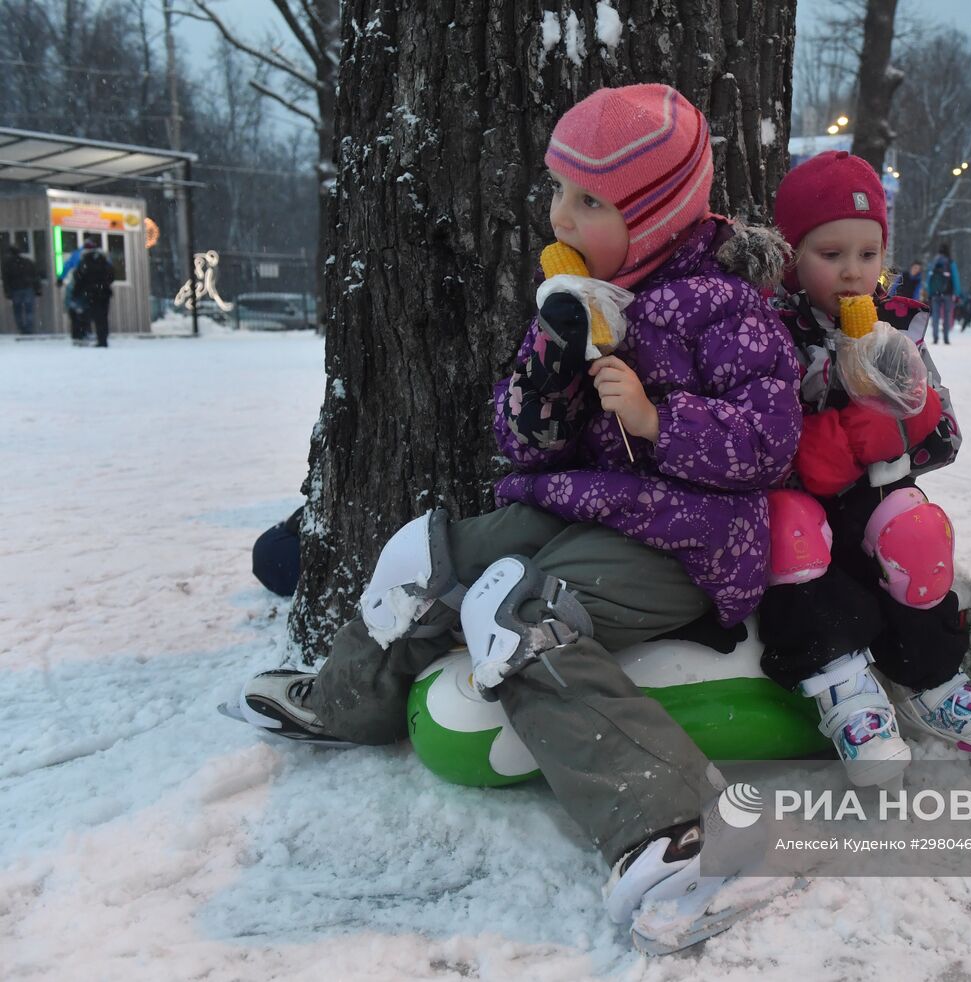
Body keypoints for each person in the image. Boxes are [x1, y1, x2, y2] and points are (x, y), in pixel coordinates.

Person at [230, 84, 804, 949]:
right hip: (583, 507)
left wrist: (658, 420)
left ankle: (685, 830)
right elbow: (522, 442)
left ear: (651, 215)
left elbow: (768, 442)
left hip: (687, 540)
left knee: (520, 616)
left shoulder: (723, 306)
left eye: (589, 201)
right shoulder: (582, 299)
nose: (559, 217)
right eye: (558, 192)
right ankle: (347, 699)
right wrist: (552, 358)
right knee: (434, 558)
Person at [759, 150, 971, 786]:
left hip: (876, 499)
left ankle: (932, 677)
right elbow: (753, 436)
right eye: (831, 254)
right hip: (803, 512)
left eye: (868, 253)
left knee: (919, 530)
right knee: (789, 529)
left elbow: (947, 439)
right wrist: (814, 442)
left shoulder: (899, 326)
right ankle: (844, 692)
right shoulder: (769, 329)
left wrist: (909, 420)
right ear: (792, 256)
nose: (853, 272)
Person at [64, 237, 115, 346]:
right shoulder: (104, 260)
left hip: (91, 293)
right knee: (103, 317)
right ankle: (103, 339)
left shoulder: (83, 260)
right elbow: (111, 275)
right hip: (104, 293)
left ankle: (84, 334)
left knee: (89, 315)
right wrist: (104, 284)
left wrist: (76, 292)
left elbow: (78, 277)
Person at [2, 244, 42, 335]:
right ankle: (29, 328)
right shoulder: (28, 262)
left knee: (17, 310)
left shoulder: (7, 265)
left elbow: (6, 279)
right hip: (28, 288)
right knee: (29, 309)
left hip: (16, 289)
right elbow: (35, 275)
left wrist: (7, 291)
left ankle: (21, 328)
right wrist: (38, 288)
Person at [923, 241, 959, 344]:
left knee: (935, 316)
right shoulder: (950, 262)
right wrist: (957, 293)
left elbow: (929, 279)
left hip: (935, 293)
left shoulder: (934, 261)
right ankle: (946, 338)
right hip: (947, 293)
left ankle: (935, 337)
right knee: (947, 315)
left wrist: (929, 292)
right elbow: (956, 278)